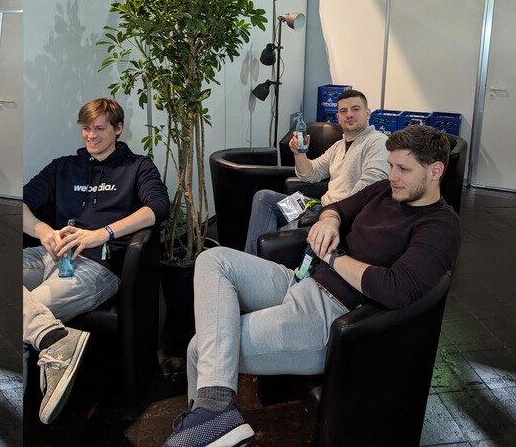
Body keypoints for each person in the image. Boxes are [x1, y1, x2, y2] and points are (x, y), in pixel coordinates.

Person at [164, 125, 461, 447]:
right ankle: (213, 416)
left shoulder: (440, 226)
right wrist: (329, 222)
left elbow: (396, 289)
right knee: (214, 258)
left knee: (200, 349)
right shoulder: (382, 190)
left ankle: (209, 420)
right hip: (302, 279)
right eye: (391, 166)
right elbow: (335, 207)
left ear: (435, 171)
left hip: (329, 316)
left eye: (403, 169)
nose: (392, 176)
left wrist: (333, 257)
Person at [23, 98, 169, 424]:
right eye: (86, 128)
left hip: (96, 266)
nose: (91, 135)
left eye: (99, 128)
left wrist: (103, 233)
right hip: (50, 253)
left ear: (118, 128)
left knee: (28, 308)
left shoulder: (137, 167)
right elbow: (23, 201)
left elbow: (158, 207)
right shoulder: (63, 167)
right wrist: (44, 231)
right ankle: (58, 342)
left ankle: (23, 403)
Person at [243, 89, 389, 255]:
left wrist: (333, 214)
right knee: (264, 198)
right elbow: (310, 174)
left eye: (355, 109)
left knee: (274, 237)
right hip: (317, 205)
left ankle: (255, 260)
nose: (349, 114)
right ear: (338, 117)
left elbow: (369, 189)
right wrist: (299, 153)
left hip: (335, 215)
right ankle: (251, 259)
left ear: (367, 113)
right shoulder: (338, 146)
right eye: (343, 111)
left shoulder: (378, 143)